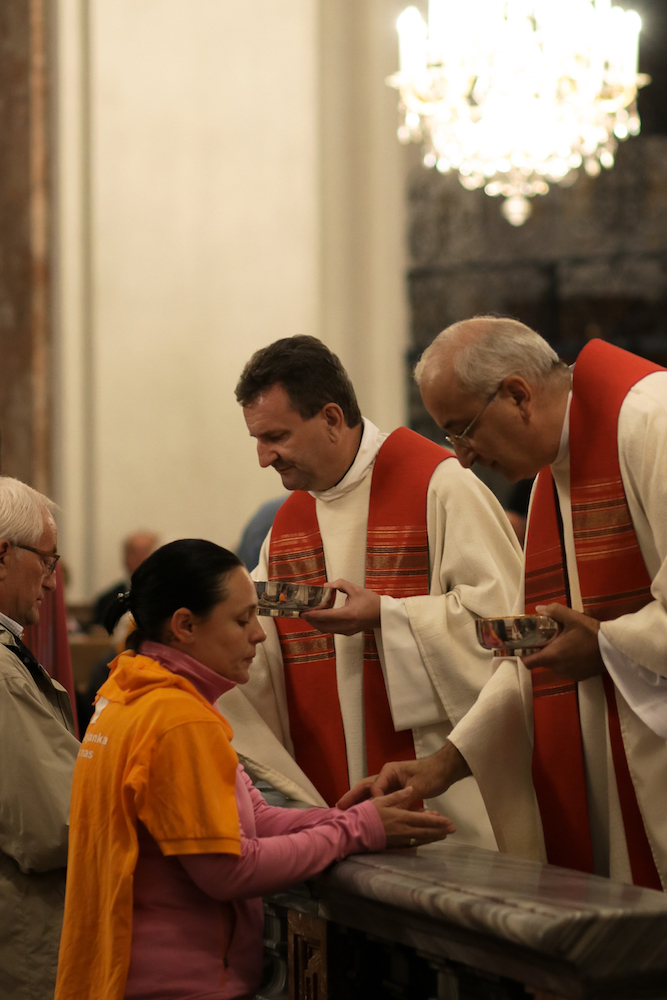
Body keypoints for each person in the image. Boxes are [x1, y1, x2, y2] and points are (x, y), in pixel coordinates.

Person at [342, 317, 667, 890]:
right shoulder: (549, 484)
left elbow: (584, 647)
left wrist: (609, 646)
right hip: (610, 796)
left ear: (518, 394)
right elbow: (529, 659)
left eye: (463, 430)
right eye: (449, 439)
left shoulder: (651, 419)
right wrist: (441, 766)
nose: (463, 458)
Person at [54, 540, 451, 1000]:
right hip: (176, 984)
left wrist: (349, 817)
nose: (260, 635)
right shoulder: (177, 719)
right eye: (243, 620)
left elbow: (253, 818)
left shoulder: (125, 693)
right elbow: (228, 872)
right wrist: (357, 831)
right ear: (184, 625)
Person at [220, 335, 522, 850]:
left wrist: (388, 616)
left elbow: (506, 634)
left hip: (441, 798)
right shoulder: (291, 521)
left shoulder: (440, 485)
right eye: (257, 439)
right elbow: (259, 657)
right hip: (336, 806)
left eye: (275, 436)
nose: (263, 457)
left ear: (333, 419)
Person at [0, 476, 79, 998]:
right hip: (23, 939)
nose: (53, 582)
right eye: (48, 561)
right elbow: (59, 825)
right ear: (3, 553)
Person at [91, 529, 159, 626]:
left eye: (145, 552)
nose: (139, 558)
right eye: (133, 552)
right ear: (125, 557)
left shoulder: (169, 596)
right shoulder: (107, 601)